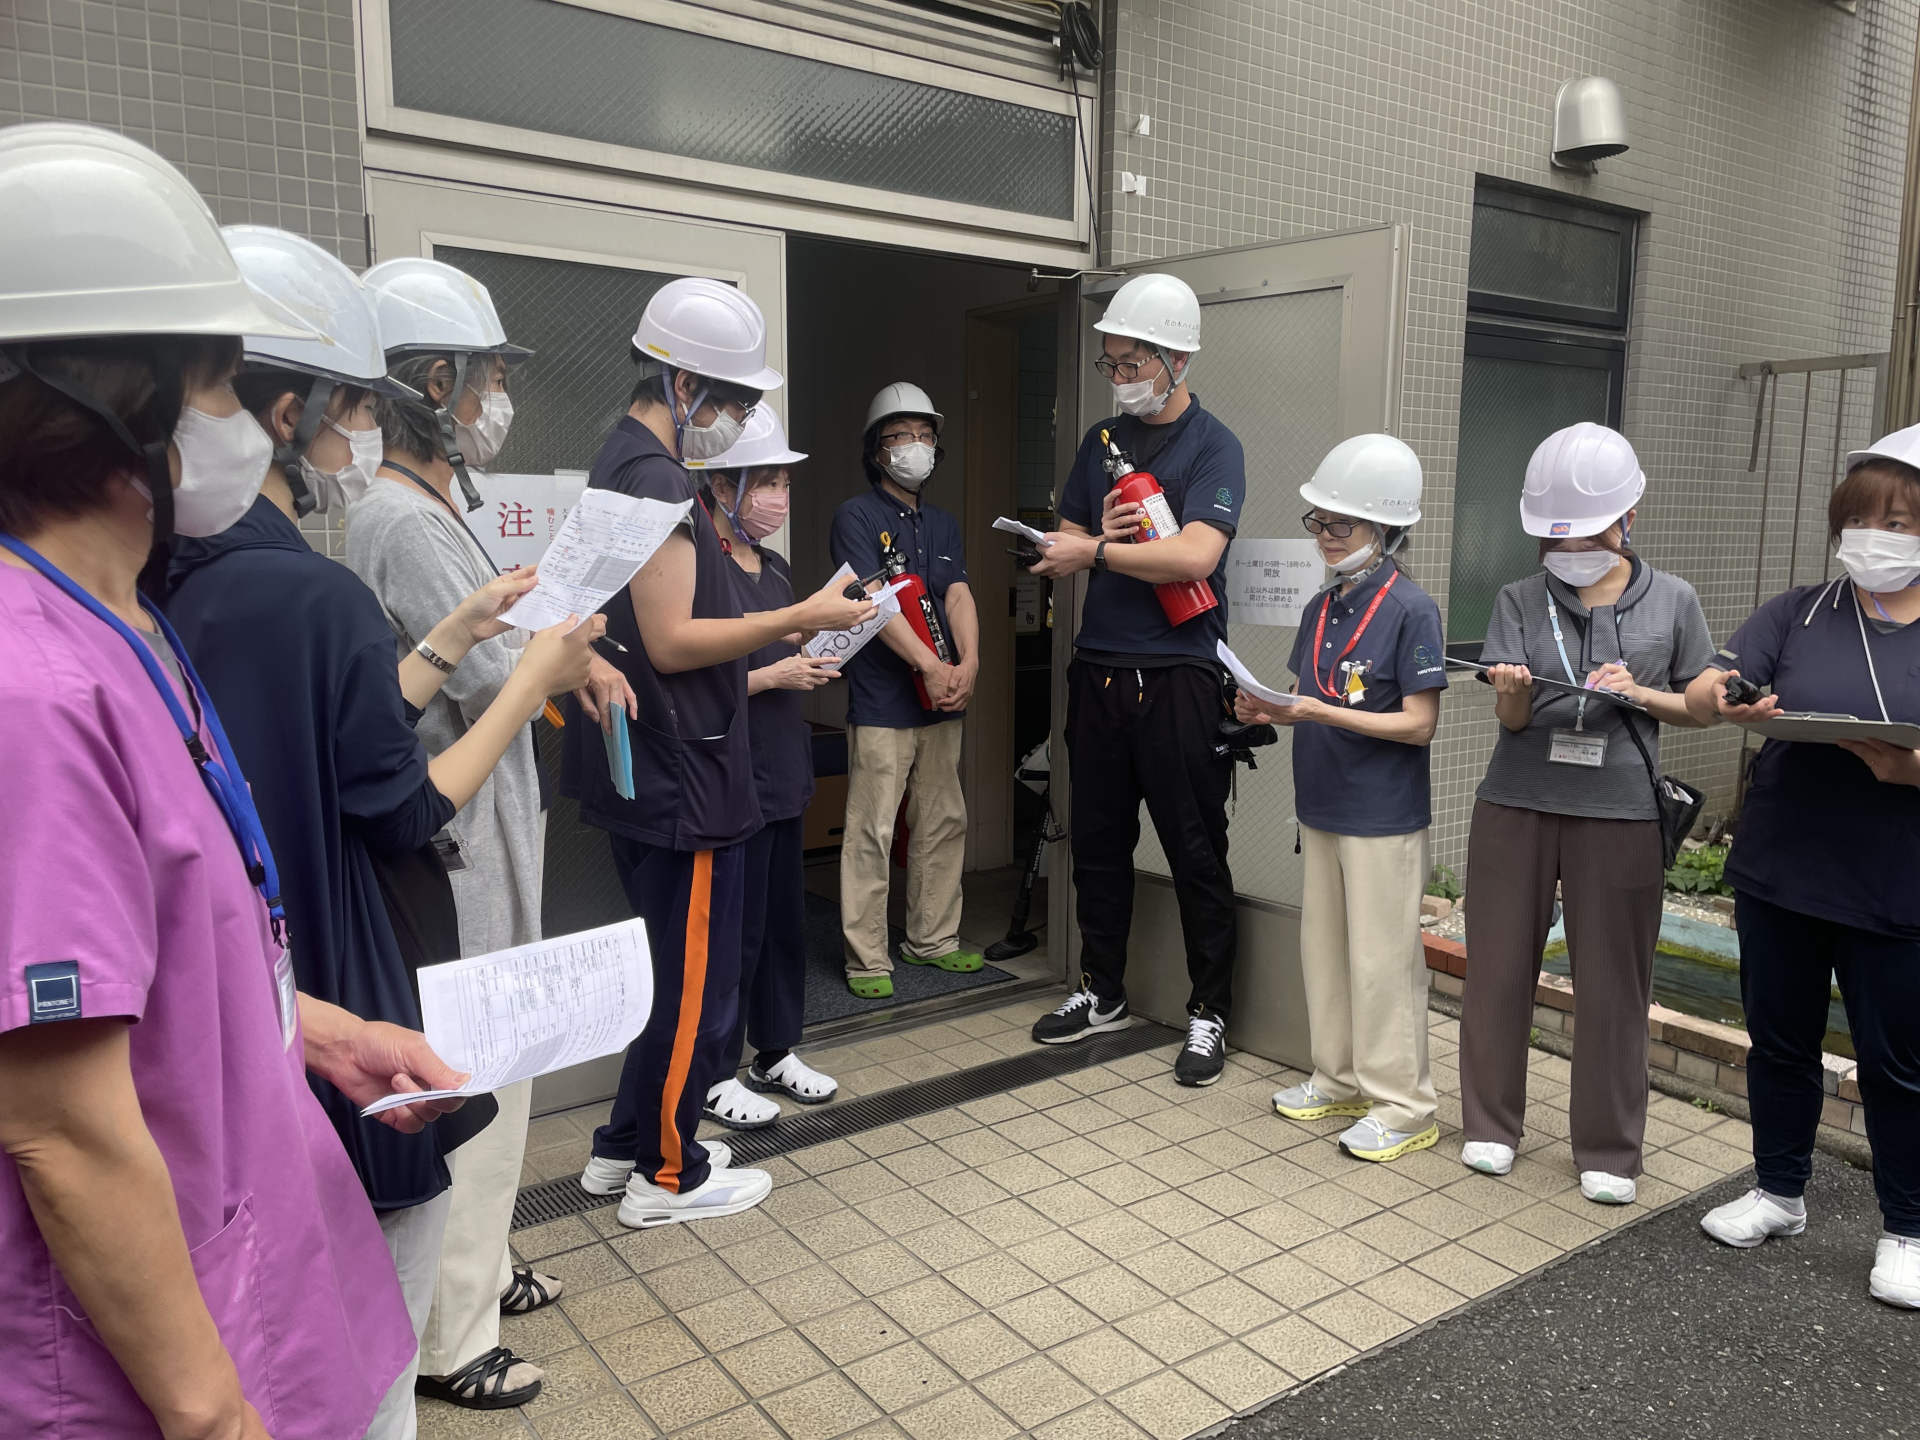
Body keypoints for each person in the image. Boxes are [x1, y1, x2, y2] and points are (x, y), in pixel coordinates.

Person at [0, 120, 468, 1440]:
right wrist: (217, 1420)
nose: (244, 427)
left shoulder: (123, 622)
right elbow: (59, 1128)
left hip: (260, 1275)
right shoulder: (30, 688)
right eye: (219, 387)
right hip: (149, 1381)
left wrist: (312, 1028)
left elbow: (171, 948)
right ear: (113, 400)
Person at [163, 225, 601, 1428]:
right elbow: (399, 796)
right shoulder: (317, 588)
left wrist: (452, 638)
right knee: (372, 1346)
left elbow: (339, 728)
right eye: (352, 406)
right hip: (345, 964)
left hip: (263, 981)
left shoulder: (179, 584)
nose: (360, 429)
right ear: (292, 410)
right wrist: (531, 677)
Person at [350, 257, 621, 1408]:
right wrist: (561, 655)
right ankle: (453, 1339)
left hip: (483, 840)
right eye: (492, 376)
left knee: (496, 1083)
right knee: (474, 1089)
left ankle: (487, 1271)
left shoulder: (430, 511)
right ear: (436, 382)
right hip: (457, 856)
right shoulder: (401, 522)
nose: (499, 397)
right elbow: (487, 679)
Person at [567, 278, 873, 1226]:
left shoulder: (618, 462)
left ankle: (621, 1147)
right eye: (734, 400)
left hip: (648, 763)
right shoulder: (660, 479)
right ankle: (668, 1176)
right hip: (684, 774)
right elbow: (671, 641)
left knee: (669, 972)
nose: (736, 421)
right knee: (689, 985)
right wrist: (801, 615)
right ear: (683, 382)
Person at [1683, 426, 1920, 1309]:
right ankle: (1779, 1192)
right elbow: (1710, 686)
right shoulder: (1799, 613)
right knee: (1780, 1042)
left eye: (1896, 522)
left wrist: (1910, 770)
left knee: (1898, 1063)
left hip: (1895, 879)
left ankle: (1908, 1228)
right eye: (1859, 519)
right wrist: (1725, 699)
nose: (1872, 537)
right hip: (1784, 867)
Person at [1457, 422, 1713, 1205]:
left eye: (1589, 533)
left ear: (1629, 516)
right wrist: (1511, 691)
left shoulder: (1673, 599)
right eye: (1555, 537)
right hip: (1516, 800)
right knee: (1497, 969)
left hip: (1621, 810)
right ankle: (1490, 1125)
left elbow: (1701, 705)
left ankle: (1608, 1148)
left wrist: (1641, 693)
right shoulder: (1518, 597)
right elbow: (1511, 722)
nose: (1569, 549)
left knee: (1614, 985)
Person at [1028, 272, 1247, 1087]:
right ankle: (1103, 990)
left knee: (1196, 849)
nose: (1119, 377)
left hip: (1180, 673)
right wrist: (1086, 540)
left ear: (1177, 360)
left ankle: (1209, 1012)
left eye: (1132, 363)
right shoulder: (1099, 442)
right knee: (1097, 843)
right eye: (1111, 364)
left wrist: (1098, 550)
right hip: (1100, 668)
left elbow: (1196, 555)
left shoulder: (1214, 446)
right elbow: (1064, 541)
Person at [1235, 436, 1448, 1162]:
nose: (1324, 536)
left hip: (1382, 815)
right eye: (1318, 522)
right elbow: (1305, 697)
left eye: (1340, 524)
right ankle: (1340, 1078)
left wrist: (1315, 710)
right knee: (1325, 953)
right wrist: (1266, 707)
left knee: (1384, 962)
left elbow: (1418, 724)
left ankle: (1405, 1106)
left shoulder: (1413, 609)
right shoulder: (1322, 605)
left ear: (1385, 529)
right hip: (1321, 803)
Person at [686, 406, 842, 1127]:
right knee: (732, 934)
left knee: (783, 922)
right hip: (729, 776)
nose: (777, 498)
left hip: (783, 764)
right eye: (765, 483)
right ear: (722, 486)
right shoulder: (699, 567)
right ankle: (714, 1071)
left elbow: (779, 645)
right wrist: (771, 677)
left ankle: (775, 1050)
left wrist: (817, 648)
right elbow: (688, 678)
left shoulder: (773, 567)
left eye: (783, 483)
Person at [829, 382, 982, 999]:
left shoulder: (942, 523)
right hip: (883, 702)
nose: (914, 446)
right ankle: (867, 958)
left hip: (942, 700)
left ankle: (933, 939)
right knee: (873, 828)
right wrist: (929, 666)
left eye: (924, 435)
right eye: (900, 436)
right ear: (876, 450)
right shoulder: (856, 516)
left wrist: (969, 663)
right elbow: (870, 603)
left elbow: (958, 595)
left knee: (943, 820)